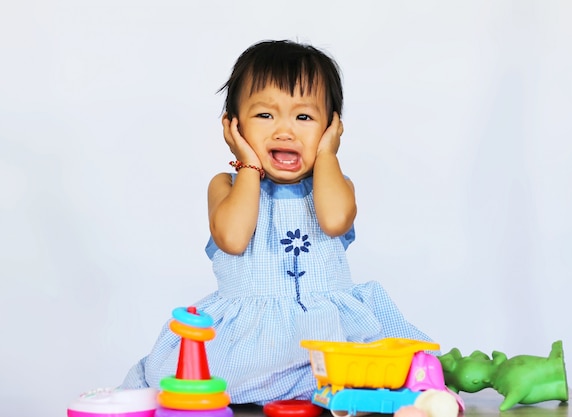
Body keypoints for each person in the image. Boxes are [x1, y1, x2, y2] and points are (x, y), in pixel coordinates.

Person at [120, 39, 434, 404]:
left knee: (392, 376)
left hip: (327, 335)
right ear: (234, 126)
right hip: (251, 345)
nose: (285, 131)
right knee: (193, 387)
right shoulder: (226, 186)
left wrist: (328, 154)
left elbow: (333, 220)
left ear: (331, 126)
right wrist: (248, 165)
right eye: (265, 115)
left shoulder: (333, 186)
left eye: (304, 117)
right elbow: (234, 238)